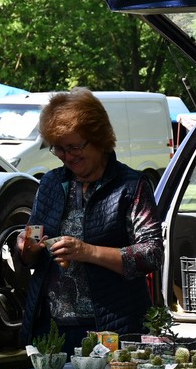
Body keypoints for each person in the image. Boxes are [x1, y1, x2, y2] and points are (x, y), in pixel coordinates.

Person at [15, 87, 163, 353]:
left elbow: (151, 254)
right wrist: (26, 245)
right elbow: (33, 243)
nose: (67, 156)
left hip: (112, 326)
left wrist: (88, 251)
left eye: (74, 147)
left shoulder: (130, 186)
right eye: (59, 149)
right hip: (52, 327)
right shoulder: (51, 183)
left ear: (99, 138)